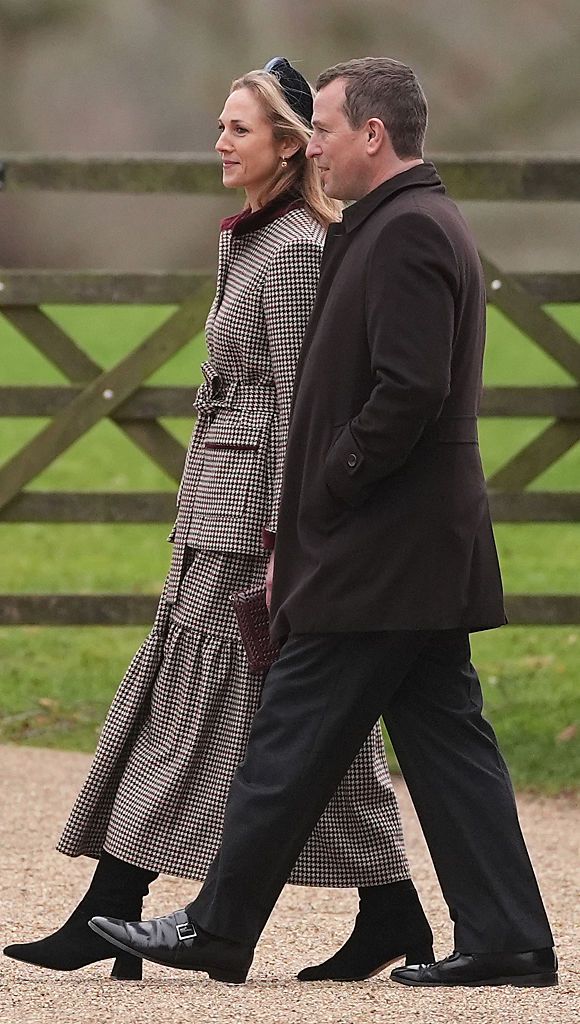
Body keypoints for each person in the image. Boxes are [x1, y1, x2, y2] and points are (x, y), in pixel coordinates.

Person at [88, 57, 557, 989]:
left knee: (288, 734)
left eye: (330, 129)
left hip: (381, 547)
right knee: (447, 744)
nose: (320, 147)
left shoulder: (408, 232)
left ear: (373, 135)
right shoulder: (397, 225)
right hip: (412, 550)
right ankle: (508, 937)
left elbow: (410, 389)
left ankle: (219, 928)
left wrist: (329, 486)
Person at [3, 58, 434, 982]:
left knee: (193, 712)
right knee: (296, 725)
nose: (220, 142)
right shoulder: (252, 240)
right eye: (221, 125)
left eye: (240, 128)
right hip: (214, 513)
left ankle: (109, 909)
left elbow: (295, 411)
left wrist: (285, 543)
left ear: (289, 144)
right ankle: (394, 910)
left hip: (250, 529)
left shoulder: (292, 256)